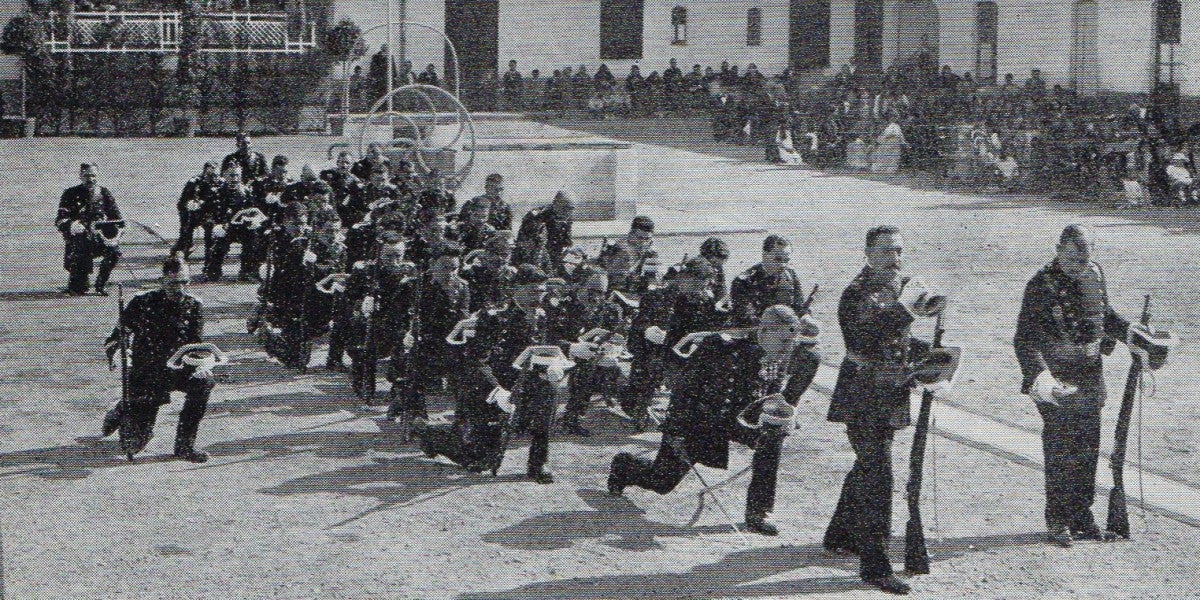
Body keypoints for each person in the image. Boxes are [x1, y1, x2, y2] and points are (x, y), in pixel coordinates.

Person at [607, 305, 820, 536]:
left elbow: (772, 390)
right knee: (662, 482)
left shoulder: (780, 352)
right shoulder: (720, 346)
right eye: (784, 342)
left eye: (791, 342)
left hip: (740, 418)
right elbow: (684, 391)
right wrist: (675, 431)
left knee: (771, 440)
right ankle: (625, 467)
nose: (788, 350)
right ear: (765, 331)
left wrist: (780, 415)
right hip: (701, 419)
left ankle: (759, 511)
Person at [823, 225, 943, 595]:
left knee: (869, 464)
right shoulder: (855, 293)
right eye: (888, 251)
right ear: (868, 254)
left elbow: (898, 339)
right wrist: (907, 308)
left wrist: (933, 357)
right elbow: (867, 336)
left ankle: (840, 534)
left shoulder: (896, 288)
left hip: (889, 392)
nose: (896, 258)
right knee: (879, 476)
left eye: (900, 251)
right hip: (861, 394)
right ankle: (875, 565)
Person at [1015, 225, 1143, 547]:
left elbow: (1105, 317)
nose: (1078, 265)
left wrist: (1133, 335)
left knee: (1087, 446)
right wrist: (1040, 378)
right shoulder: (1040, 285)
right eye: (1072, 258)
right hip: (1054, 377)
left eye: (1084, 258)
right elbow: (1024, 339)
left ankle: (1082, 513)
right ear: (1058, 250)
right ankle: (1057, 517)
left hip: (1089, 373)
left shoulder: (1094, 275)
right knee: (1060, 449)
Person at [415, 264, 557, 482]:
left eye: (541, 292)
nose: (537, 299)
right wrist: (496, 390)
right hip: (489, 386)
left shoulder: (542, 315)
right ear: (514, 290)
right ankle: (432, 436)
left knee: (548, 392)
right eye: (531, 292)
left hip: (526, 381)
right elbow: (477, 360)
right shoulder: (493, 317)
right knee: (480, 461)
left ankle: (538, 461)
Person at [102, 258, 212, 462]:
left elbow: (196, 344)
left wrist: (202, 365)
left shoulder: (193, 305)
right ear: (162, 280)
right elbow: (116, 337)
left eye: (184, 282)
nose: (179, 288)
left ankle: (184, 447)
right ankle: (121, 410)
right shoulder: (142, 302)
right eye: (173, 283)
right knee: (136, 443)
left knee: (203, 383)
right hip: (148, 372)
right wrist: (118, 352)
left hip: (179, 368)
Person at [387, 246, 471, 433]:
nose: (450, 273)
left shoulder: (462, 286)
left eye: (454, 268)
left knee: (468, 373)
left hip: (449, 342)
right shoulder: (413, 286)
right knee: (416, 369)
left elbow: (463, 318)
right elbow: (394, 319)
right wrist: (404, 336)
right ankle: (416, 416)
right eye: (445, 267)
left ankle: (462, 420)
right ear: (432, 264)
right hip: (419, 341)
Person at [550, 268, 626, 436]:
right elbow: (547, 338)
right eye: (592, 291)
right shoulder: (561, 306)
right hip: (559, 355)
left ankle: (575, 415)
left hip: (590, 356)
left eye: (602, 293)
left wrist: (611, 350)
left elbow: (615, 336)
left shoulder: (610, 309)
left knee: (605, 373)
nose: (597, 298)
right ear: (579, 286)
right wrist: (571, 347)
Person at [56, 163, 124, 296]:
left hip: (100, 237)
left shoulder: (104, 193)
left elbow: (118, 220)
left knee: (114, 252)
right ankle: (78, 283)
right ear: (80, 176)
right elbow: (60, 220)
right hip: (78, 240)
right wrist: (72, 225)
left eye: (93, 175)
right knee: (78, 290)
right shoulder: (70, 193)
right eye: (86, 175)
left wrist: (114, 236)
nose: (90, 179)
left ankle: (101, 284)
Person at [730, 235, 811, 326]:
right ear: (764, 255)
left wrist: (806, 319)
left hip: (787, 332)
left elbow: (798, 307)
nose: (783, 265)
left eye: (786, 260)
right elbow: (745, 318)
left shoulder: (790, 276)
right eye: (778, 259)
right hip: (756, 334)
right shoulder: (743, 282)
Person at [514, 191, 574, 274]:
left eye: (571, 208)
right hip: (532, 261)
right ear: (555, 203)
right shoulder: (537, 215)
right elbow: (527, 244)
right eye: (565, 208)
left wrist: (570, 251)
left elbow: (566, 243)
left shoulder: (566, 218)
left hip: (552, 260)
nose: (567, 212)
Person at [172, 162, 220, 260]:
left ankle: (211, 253)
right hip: (195, 213)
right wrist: (189, 205)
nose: (212, 178)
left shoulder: (220, 183)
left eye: (215, 174)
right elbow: (182, 202)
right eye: (209, 174)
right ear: (204, 171)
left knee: (210, 229)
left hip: (212, 213)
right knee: (187, 225)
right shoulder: (194, 182)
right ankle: (185, 245)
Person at [597, 215, 655, 291]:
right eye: (640, 238)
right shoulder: (619, 248)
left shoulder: (650, 252)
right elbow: (608, 277)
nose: (643, 243)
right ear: (631, 234)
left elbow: (652, 279)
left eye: (647, 239)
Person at [321, 151, 364, 225]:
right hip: (329, 208)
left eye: (347, 163)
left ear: (351, 165)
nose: (344, 165)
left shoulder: (355, 180)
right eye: (342, 162)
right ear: (337, 163)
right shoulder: (328, 175)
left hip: (346, 211)